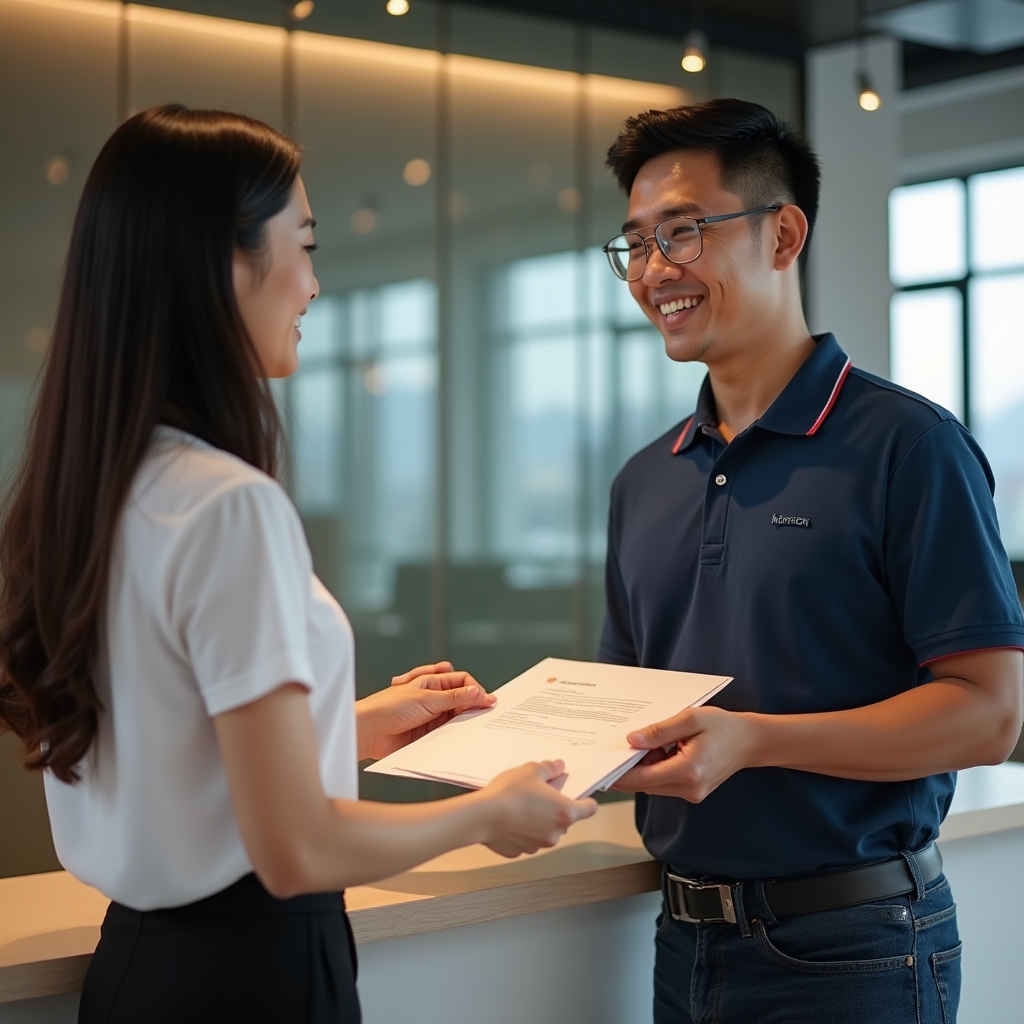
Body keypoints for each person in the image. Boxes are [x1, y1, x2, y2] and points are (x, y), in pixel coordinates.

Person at [0, 105, 596, 1024]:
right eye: (303, 245)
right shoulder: (229, 505)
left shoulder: (98, 491)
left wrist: (344, 726)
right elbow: (294, 847)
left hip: (136, 975)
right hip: (251, 977)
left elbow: (163, 737)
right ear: (222, 264)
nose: (314, 284)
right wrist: (488, 813)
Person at [597, 98, 1024, 1024]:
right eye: (634, 244)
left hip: (855, 949)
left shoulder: (909, 447)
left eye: (681, 233)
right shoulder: (644, 481)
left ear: (782, 233)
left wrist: (756, 741)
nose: (652, 272)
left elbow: (989, 715)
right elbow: (622, 707)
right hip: (682, 941)